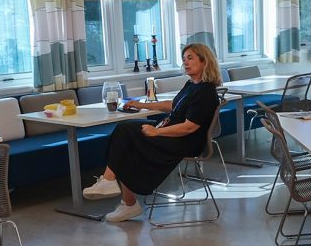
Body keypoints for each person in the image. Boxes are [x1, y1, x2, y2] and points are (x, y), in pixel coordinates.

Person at [83, 43, 222, 222]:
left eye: (190, 58)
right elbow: (174, 105)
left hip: (184, 140)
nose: (185, 62)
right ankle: (121, 195)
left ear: (204, 61)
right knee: (124, 133)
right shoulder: (192, 84)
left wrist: (156, 132)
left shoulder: (205, 91)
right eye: (184, 59)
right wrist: (142, 105)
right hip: (170, 131)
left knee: (127, 134)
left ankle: (118, 192)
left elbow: (190, 127)